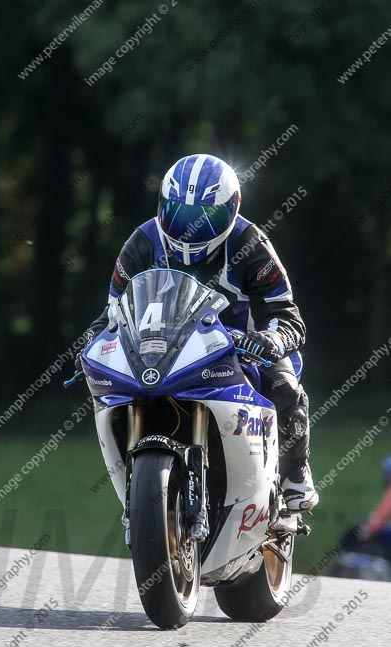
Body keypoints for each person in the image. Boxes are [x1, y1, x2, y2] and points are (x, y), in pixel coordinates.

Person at [77, 153, 318, 512]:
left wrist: (272, 340)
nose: (191, 226)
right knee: (106, 387)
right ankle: (138, 485)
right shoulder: (142, 242)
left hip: (240, 348)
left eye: (207, 216)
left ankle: (295, 474)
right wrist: (91, 342)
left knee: (285, 389)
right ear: (162, 205)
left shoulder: (252, 243)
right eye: (180, 213)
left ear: (232, 209)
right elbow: (113, 311)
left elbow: (287, 316)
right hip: (164, 348)